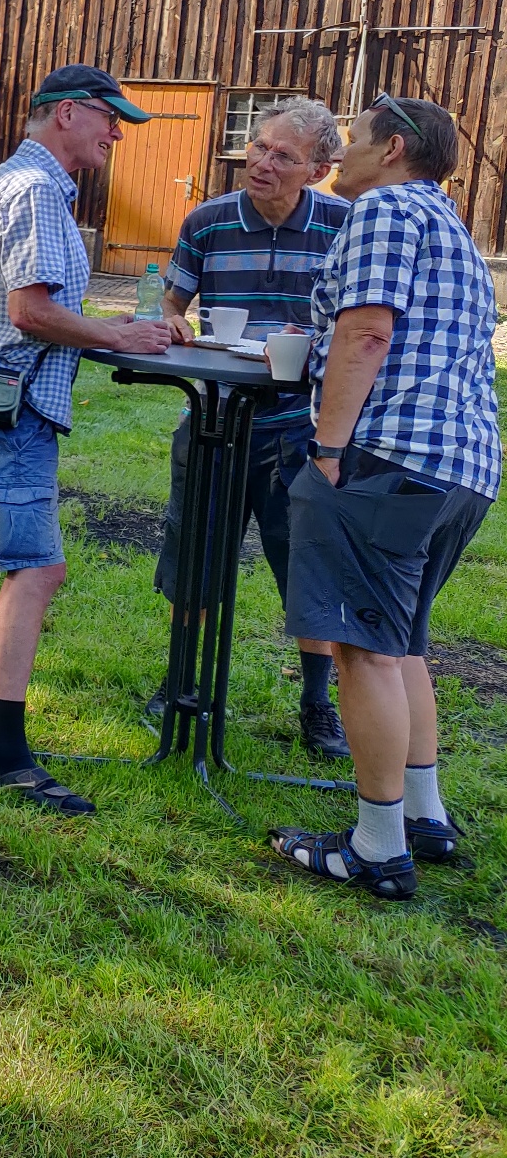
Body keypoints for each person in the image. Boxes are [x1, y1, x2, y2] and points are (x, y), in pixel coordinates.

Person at [0, 64, 171, 817]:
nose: (115, 133)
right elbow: (33, 313)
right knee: (39, 571)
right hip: (11, 412)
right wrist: (120, 334)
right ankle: (6, 751)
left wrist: (114, 331)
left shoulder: (8, 180)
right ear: (64, 114)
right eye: (107, 118)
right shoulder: (35, 193)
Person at [272, 96, 497, 902]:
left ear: (394, 148)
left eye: (356, 140)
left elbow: (367, 331)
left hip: (387, 459)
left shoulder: (384, 212)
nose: (341, 155)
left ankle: (376, 847)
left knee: (361, 648)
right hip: (460, 470)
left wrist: (328, 450)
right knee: (400, 643)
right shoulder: (452, 227)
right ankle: (425, 818)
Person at [151, 96, 350, 758]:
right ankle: (182, 681)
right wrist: (174, 320)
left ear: (319, 169)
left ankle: (317, 704)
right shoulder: (207, 221)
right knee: (196, 557)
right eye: (259, 146)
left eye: (282, 156)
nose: (261, 162)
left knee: (309, 569)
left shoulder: (344, 226)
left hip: (303, 428)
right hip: (212, 417)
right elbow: (173, 301)